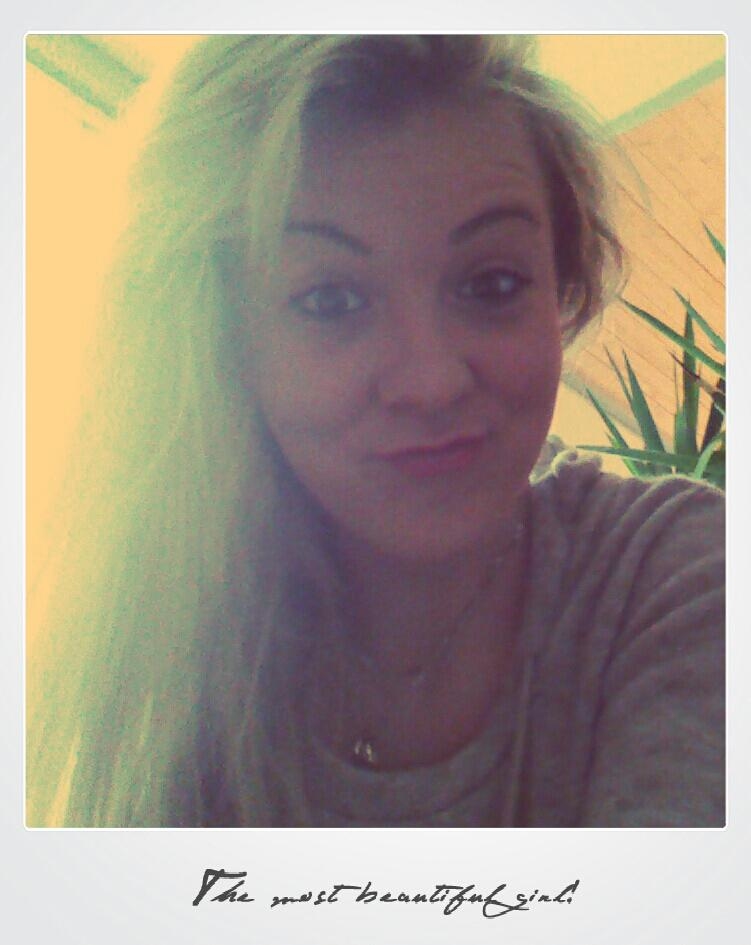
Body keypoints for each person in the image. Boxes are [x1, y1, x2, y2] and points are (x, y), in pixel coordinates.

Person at [27, 34, 725, 828]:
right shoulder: (147, 657)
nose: (430, 380)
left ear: (560, 291)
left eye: (493, 283)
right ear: (218, 340)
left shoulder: (678, 580)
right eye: (330, 301)